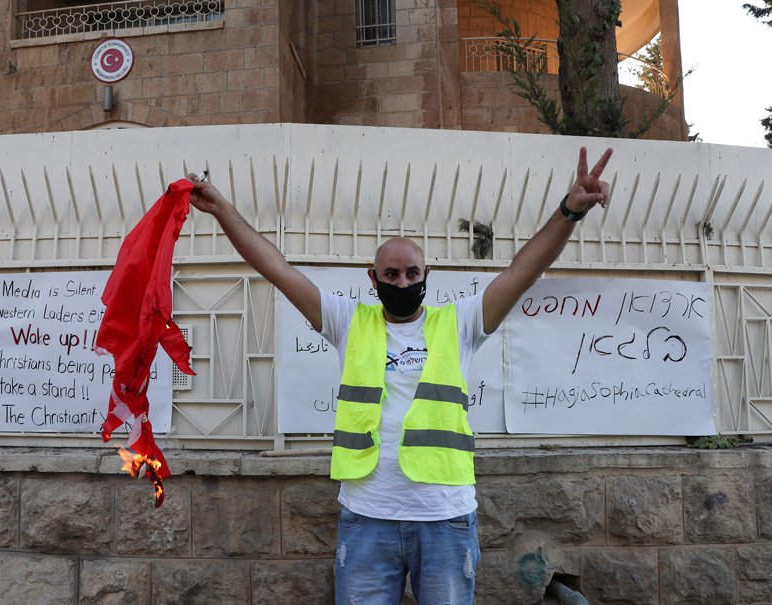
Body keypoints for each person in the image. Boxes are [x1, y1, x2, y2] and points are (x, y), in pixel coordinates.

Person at [187, 146, 613, 604]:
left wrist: (569, 212)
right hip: (368, 517)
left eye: (413, 273)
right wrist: (223, 211)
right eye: (392, 274)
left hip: (445, 518)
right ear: (372, 278)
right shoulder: (348, 322)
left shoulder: (460, 324)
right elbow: (276, 268)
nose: (404, 283)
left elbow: (523, 270)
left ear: (428, 274)